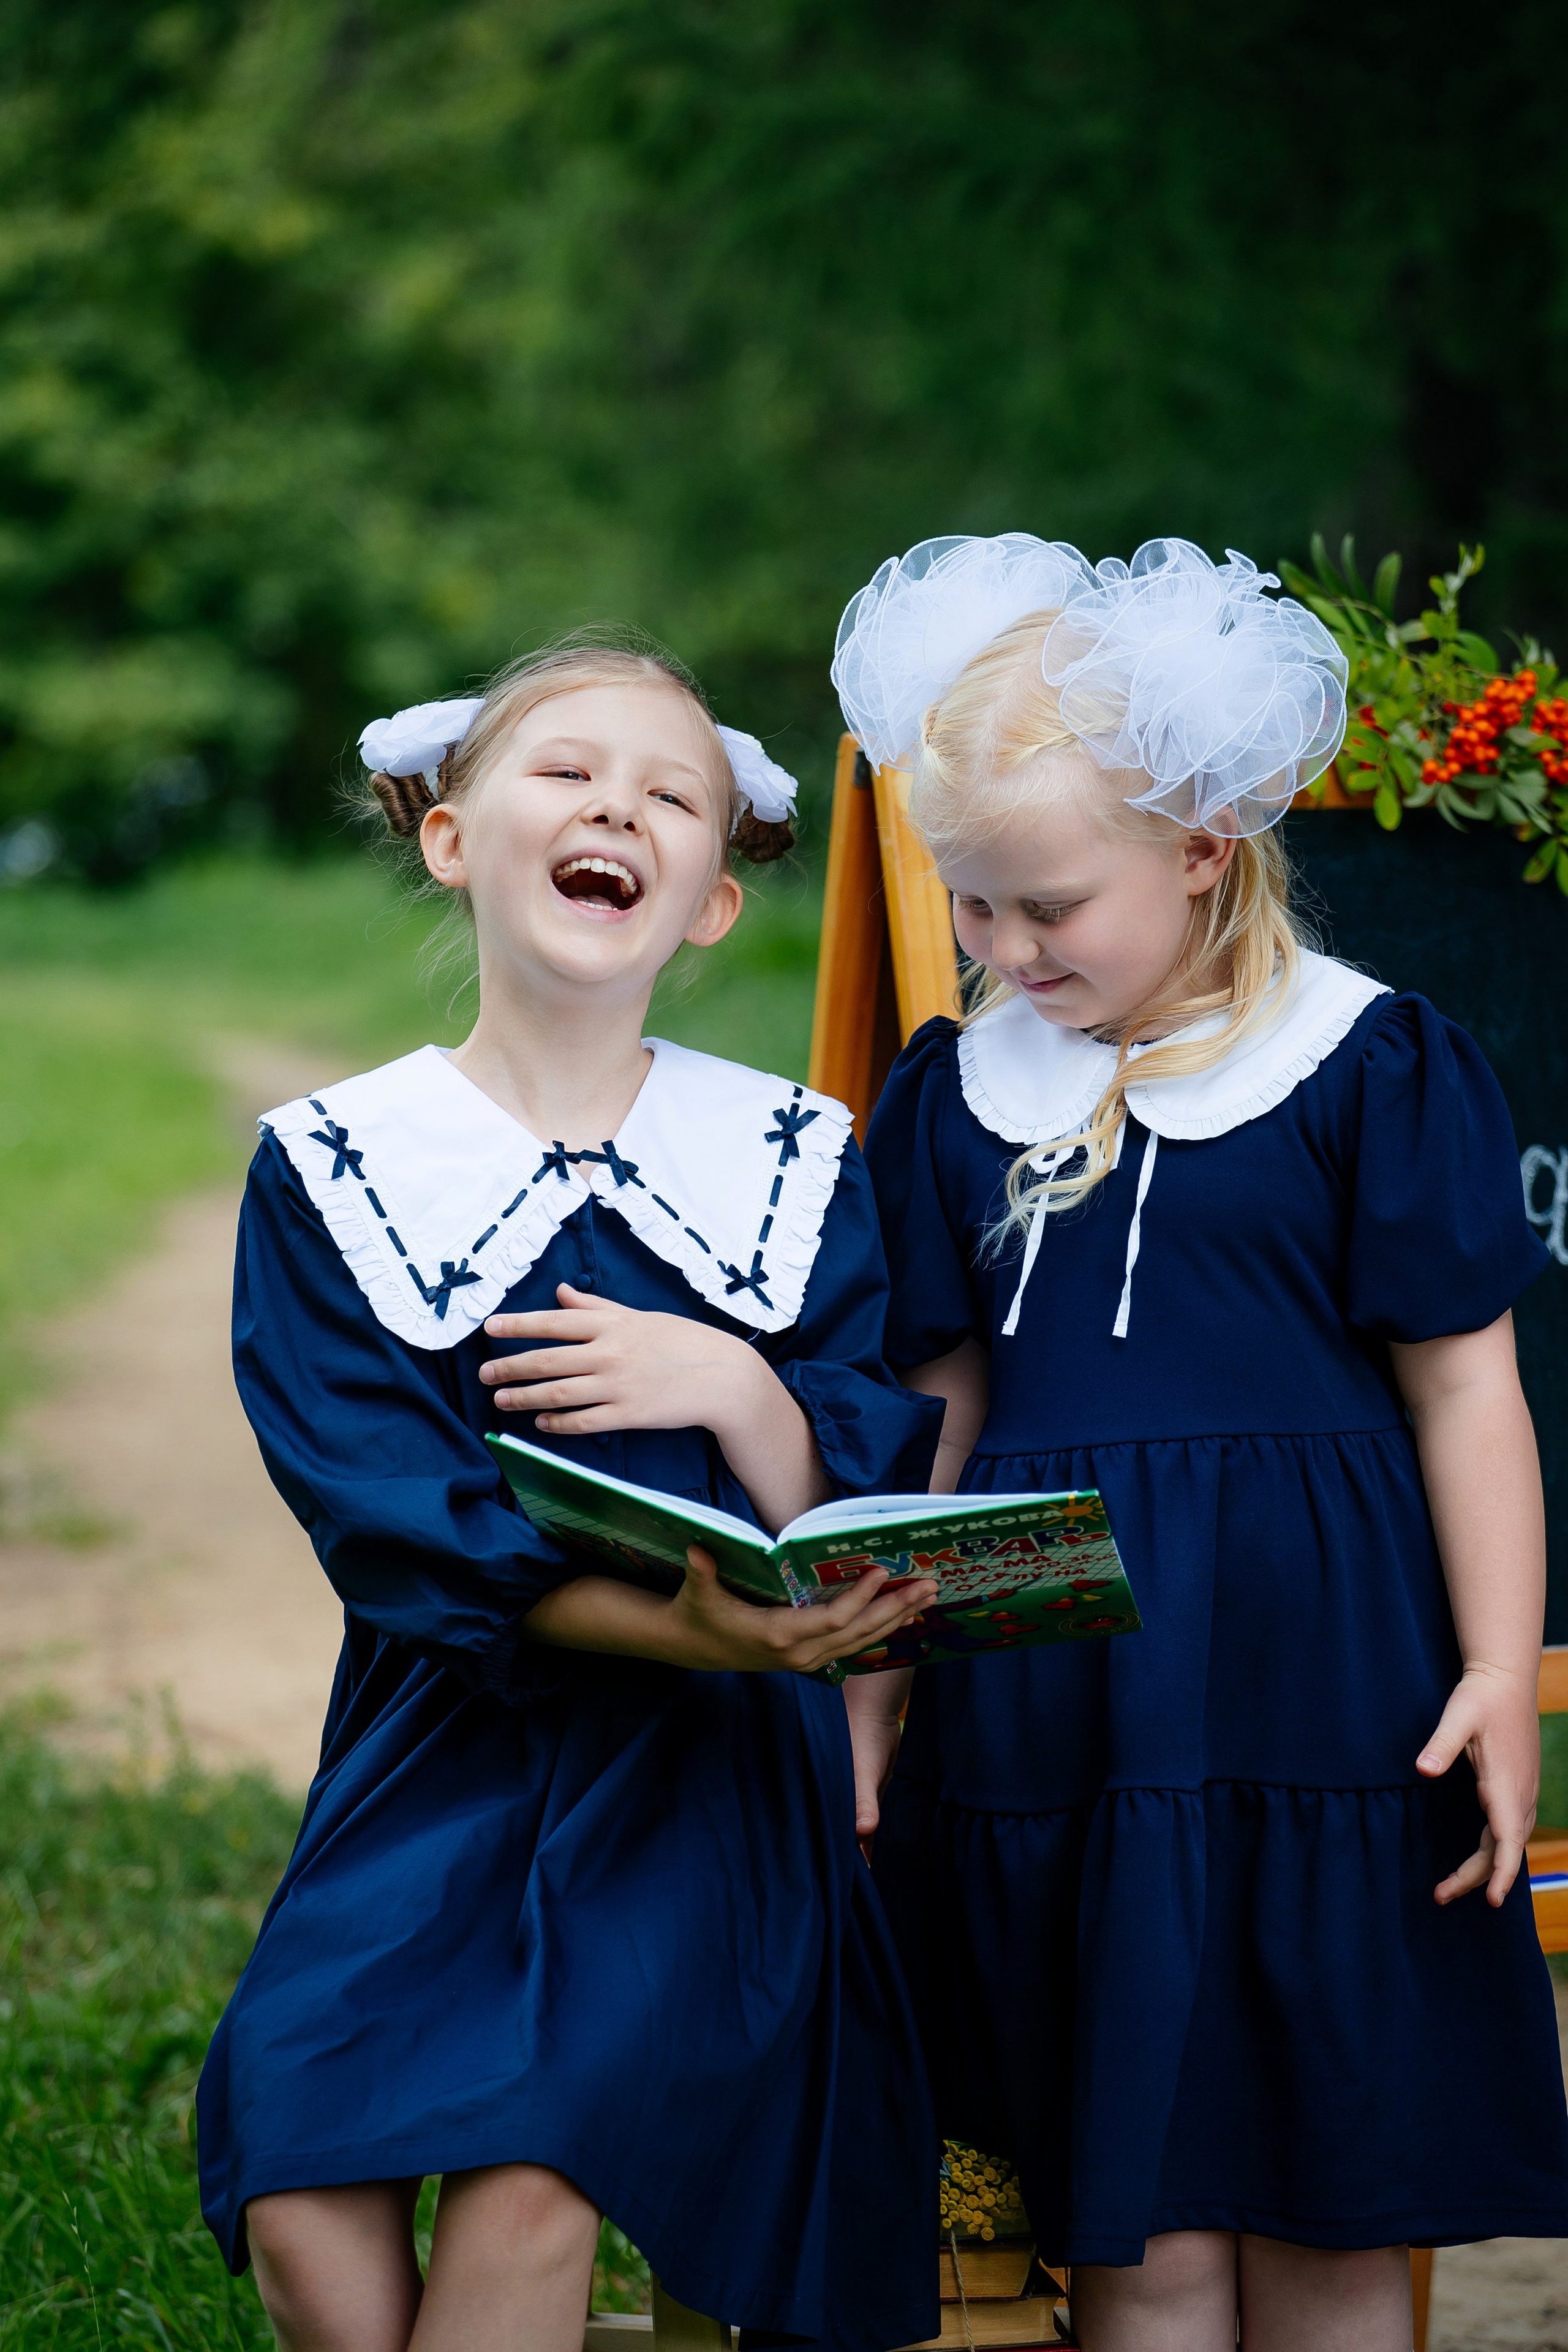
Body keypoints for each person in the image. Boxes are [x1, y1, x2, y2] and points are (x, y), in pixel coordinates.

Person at [834, 536, 1568, 2351]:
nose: (1005, 950)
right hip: (1056, 1698)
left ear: (1201, 845)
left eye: (1049, 906)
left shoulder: (1364, 1065)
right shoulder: (956, 1093)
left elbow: (1466, 1388)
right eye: (971, 905)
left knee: (1330, 2200)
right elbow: (950, 1408)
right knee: (1134, 2219)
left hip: (1322, 1692)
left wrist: (1498, 1671)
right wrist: (874, 1687)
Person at [197, 638, 945, 2352]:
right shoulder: (336, 1167)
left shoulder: (790, 1156)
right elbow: (391, 1520)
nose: (618, 807)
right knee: (301, 2187)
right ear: (452, 838)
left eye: (671, 794)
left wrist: (736, 1388)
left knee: (532, 2174)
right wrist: (691, 1626)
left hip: (709, 1785)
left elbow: (849, 1487)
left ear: (710, 906)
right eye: (568, 770)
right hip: (445, 1746)